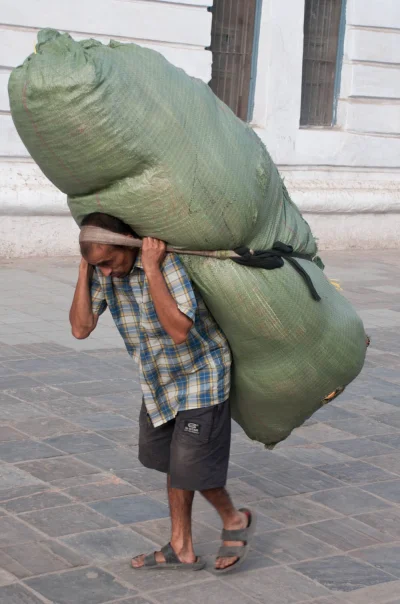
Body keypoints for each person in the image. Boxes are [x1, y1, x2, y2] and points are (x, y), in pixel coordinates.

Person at [69, 212, 256, 573]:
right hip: (158, 381)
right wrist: (84, 271)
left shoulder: (165, 264)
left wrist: (152, 269)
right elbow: (80, 328)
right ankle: (181, 547)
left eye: (108, 262)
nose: (106, 272)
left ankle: (234, 519)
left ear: (128, 244)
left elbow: (178, 330)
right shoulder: (102, 271)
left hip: (202, 375)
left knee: (191, 466)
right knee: (171, 460)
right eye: (98, 266)